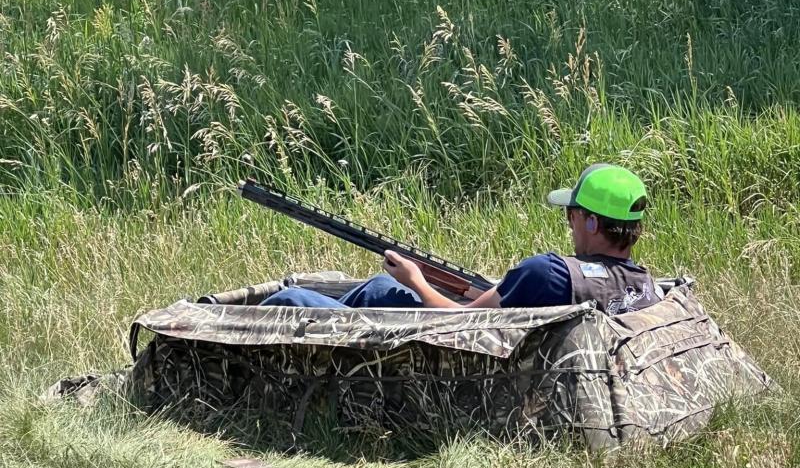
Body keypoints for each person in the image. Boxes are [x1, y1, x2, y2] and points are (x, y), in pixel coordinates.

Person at [261, 163, 659, 316]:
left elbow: (461, 321)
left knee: (290, 301)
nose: (569, 225)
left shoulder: (549, 273)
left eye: (572, 215)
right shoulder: (643, 287)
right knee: (381, 287)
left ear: (591, 223)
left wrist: (416, 280)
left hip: (442, 345)